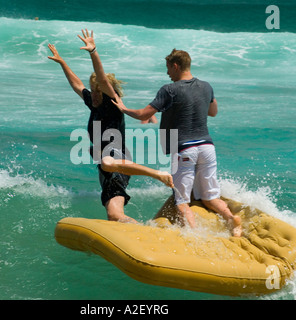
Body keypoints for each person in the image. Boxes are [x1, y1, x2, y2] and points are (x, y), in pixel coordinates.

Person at [47, 30, 173, 223]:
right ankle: (141, 231)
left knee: (107, 161)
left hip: (117, 157)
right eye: (92, 90)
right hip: (105, 165)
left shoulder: (112, 101)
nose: (93, 94)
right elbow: (76, 84)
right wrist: (63, 62)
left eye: (97, 91)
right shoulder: (93, 101)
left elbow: (103, 79)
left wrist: (93, 51)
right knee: (114, 215)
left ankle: (159, 175)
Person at [112, 49, 242, 237]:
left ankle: (196, 238)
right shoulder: (206, 86)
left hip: (184, 149)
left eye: (168, 69)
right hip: (207, 147)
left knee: (181, 202)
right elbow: (213, 112)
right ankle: (231, 219)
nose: (167, 74)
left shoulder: (169, 90)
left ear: (175, 66)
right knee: (211, 197)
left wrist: (123, 108)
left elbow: (144, 114)